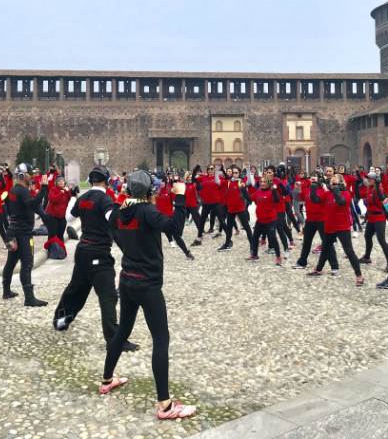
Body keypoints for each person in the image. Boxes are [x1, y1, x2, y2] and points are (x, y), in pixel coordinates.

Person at [100, 170, 196, 420]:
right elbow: (175, 227)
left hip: (128, 279)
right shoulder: (148, 212)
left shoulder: (119, 214)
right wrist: (181, 198)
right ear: (149, 192)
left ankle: (107, 379)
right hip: (148, 284)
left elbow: (116, 236)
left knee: (122, 331)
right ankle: (165, 405)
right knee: (161, 338)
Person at [54, 165, 139, 349]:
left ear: (91, 180)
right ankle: (115, 340)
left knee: (75, 290)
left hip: (82, 250)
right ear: (107, 181)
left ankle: (60, 320)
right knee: (108, 296)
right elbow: (113, 219)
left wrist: (73, 197)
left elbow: (69, 217)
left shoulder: (84, 198)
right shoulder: (105, 199)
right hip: (99, 253)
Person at [2, 164, 49, 307]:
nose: (32, 177)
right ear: (23, 175)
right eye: (30, 174)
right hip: (23, 233)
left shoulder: (13, 190)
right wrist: (44, 188)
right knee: (27, 264)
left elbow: (8, 209)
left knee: (11, 262)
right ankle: (29, 298)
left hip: (14, 230)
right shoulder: (22, 191)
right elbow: (33, 204)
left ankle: (6, 291)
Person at [307, 173, 365, 286]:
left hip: (342, 227)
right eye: (331, 182)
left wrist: (336, 190)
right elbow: (316, 200)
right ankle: (318, 269)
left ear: (340, 184)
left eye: (334, 182)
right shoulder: (327, 194)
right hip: (329, 226)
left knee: (349, 251)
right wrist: (314, 187)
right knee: (325, 248)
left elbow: (341, 202)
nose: (331, 184)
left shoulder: (346, 193)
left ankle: (359, 275)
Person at [245, 173, 283, 265]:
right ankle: (254, 255)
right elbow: (249, 199)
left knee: (272, 237)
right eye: (261, 181)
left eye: (264, 182)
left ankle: (278, 256)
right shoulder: (258, 191)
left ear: (269, 183)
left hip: (270, 220)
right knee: (255, 237)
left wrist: (274, 191)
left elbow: (277, 200)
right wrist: (243, 190)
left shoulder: (271, 191)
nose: (262, 183)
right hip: (260, 220)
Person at [219, 166, 253, 252]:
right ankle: (227, 244)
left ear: (239, 174)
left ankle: (253, 246)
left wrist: (248, 170)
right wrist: (217, 171)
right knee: (229, 228)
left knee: (246, 227)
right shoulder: (229, 182)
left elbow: (249, 182)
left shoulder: (241, 182)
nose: (234, 174)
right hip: (231, 209)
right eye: (233, 173)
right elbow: (218, 182)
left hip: (240, 208)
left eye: (236, 173)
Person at [359, 172, 388, 267]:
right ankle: (367, 257)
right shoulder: (370, 189)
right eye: (368, 179)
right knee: (367, 236)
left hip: (379, 217)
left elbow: (381, 201)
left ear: (375, 180)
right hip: (371, 217)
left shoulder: (378, 190)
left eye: (370, 179)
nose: (368, 180)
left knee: (381, 240)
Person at [44, 175, 76, 259]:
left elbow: (71, 199)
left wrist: (69, 192)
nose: (61, 183)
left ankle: (61, 251)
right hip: (52, 215)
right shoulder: (53, 190)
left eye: (62, 181)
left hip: (62, 216)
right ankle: (51, 251)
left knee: (60, 234)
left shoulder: (66, 190)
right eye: (59, 181)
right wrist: (61, 193)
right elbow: (53, 200)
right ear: (56, 183)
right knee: (52, 234)